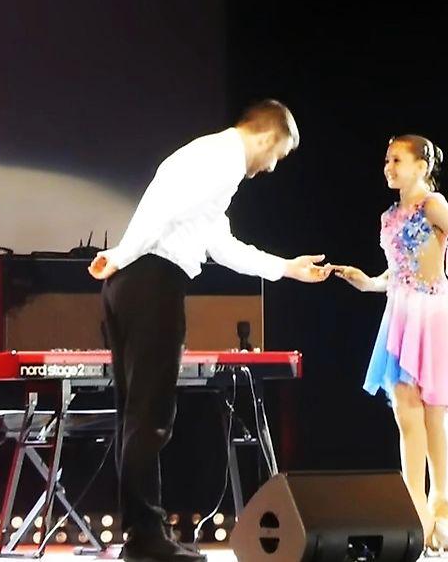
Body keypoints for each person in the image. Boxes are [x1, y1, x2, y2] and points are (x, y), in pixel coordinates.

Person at [88, 99, 330, 562]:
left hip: (135, 280)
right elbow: (164, 212)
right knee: (149, 417)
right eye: (278, 156)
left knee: (136, 416)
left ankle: (142, 535)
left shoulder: (212, 162)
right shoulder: (221, 160)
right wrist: (121, 253)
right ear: (268, 136)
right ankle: (144, 539)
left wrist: (285, 268)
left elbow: (220, 243)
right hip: (150, 278)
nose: (271, 168)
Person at [331, 134, 448, 554]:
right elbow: (398, 271)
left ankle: (442, 503)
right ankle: (415, 508)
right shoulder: (389, 216)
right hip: (401, 313)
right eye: (387, 160)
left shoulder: (433, 205)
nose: (389, 167)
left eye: (397, 160)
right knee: (406, 412)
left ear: (422, 166)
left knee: (434, 412)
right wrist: (368, 282)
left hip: (433, 313)